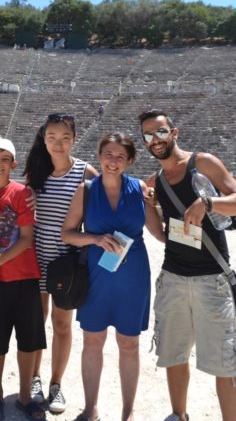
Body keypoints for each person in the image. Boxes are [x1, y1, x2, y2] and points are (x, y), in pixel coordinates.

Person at [139, 109, 236, 421]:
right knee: (174, 354)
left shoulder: (202, 163)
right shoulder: (156, 180)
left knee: (224, 359)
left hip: (211, 279)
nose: (155, 139)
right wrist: (148, 205)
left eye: (160, 131)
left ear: (174, 132)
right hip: (173, 277)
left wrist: (208, 203)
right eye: (148, 135)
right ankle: (179, 414)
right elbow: (162, 234)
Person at [61, 133, 164, 421]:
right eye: (108, 154)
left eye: (120, 156)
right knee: (93, 341)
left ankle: (127, 412)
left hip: (133, 276)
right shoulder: (87, 189)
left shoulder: (140, 189)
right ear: (99, 156)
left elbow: (159, 234)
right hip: (98, 275)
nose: (113, 161)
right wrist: (95, 239)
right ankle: (90, 407)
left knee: (129, 343)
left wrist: (153, 204)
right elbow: (67, 233)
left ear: (130, 161)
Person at [23, 113, 99, 414]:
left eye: (65, 138)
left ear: (74, 140)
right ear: (44, 138)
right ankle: (35, 379)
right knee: (37, 320)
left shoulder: (85, 173)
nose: (58, 143)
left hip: (67, 261)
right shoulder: (36, 172)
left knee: (62, 324)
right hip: (37, 255)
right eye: (52, 137)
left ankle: (56, 384)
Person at [0, 138, 47, 421]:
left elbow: (26, 239)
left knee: (28, 341)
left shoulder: (21, 193)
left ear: (13, 164)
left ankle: (25, 395)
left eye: (5, 159)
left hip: (25, 278)